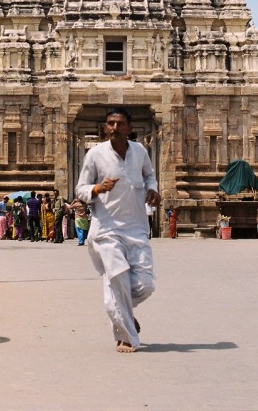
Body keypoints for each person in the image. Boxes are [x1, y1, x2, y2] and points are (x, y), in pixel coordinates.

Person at [76, 106, 160, 353]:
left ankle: (123, 311)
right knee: (118, 278)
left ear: (129, 128)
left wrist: (153, 191)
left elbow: (150, 177)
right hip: (107, 229)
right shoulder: (95, 155)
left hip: (137, 228)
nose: (114, 127)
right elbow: (80, 188)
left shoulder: (140, 151)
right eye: (110, 123)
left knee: (145, 285)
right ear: (105, 128)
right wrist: (97, 189)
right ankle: (126, 337)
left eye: (120, 123)